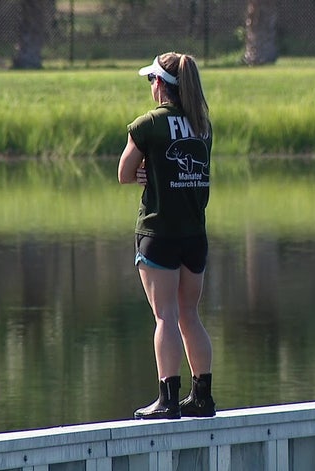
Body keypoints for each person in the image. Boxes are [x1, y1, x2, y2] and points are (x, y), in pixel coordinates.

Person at [117, 52, 216, 419]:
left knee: (165, 317)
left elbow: (124, 173)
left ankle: (168, 399)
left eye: (151, 80)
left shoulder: (148, 125)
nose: (150, 87)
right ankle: (202, 396)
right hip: (194, 236)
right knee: (190, 314)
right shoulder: (203, 125)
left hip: (159, 234)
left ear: (161, 84)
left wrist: (144, 170)